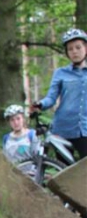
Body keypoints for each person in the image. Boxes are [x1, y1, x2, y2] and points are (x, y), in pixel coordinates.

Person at [30, 28, 87, 161]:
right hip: (63, 128)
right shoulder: (60, 73)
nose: (74, 51)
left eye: (78, 47)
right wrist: (40, 104)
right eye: (70, 49)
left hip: (85, 128)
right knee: (64, 169)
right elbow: (51, 98)